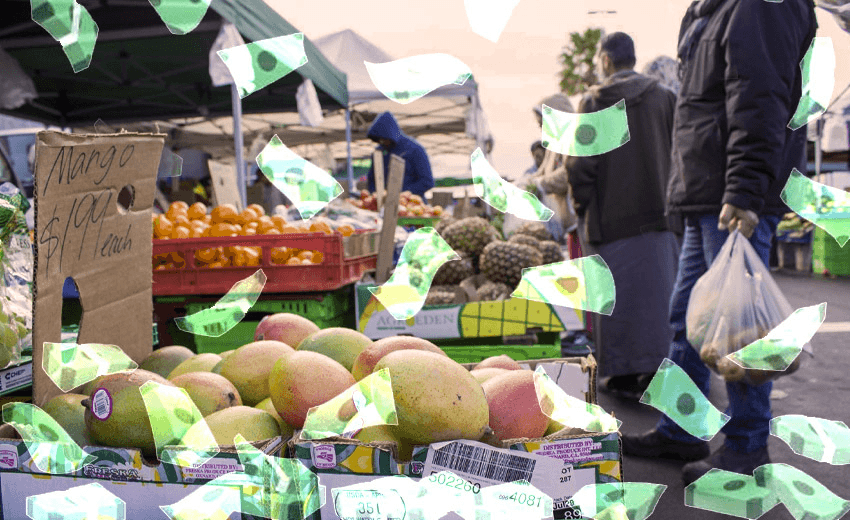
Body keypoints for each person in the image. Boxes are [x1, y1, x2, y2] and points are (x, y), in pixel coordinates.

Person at [621, 0, 817, 486]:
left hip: (730, 193)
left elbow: (761, 95)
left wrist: (745, 190)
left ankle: (748, 445)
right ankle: (683, 428)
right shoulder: (717, 9)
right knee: (688, 318)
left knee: (737, 330)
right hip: (705, 189)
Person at [564, 32, 679, 400]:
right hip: (661, 220)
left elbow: (580, 166)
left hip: (611, 224)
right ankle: (660, 372)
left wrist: (584, 210)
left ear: (606, 60)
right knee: (660, 304)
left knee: (620, 305)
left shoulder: (596, 101)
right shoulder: (665, 99)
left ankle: (625, 374)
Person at [533, 93, 579, 245]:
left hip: (581, 223)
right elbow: (542, 172)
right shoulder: (555, 145)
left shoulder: (575, 138)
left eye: (542, 123)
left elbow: (569, 173)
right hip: (569, 224)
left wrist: (541, 184)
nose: (541, 129)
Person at [366, 111, 434, 199]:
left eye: (383, 139)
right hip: (382, 205)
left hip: (410, 205)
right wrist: (375, 195)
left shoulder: (414, 149)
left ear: (390, 134)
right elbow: (372, 180)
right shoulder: (379, 151)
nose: (381, 142)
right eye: (379, 140)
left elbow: (427, 182)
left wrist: (400, 195)